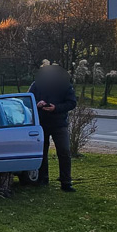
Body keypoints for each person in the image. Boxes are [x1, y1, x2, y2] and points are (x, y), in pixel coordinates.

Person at [28, 64, 77, 192]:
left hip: (59, 123)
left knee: (64, 152)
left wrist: (56, 108)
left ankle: (66, 181)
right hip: (41, 123)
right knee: (42, 152)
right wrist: (37, 104)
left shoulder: (65, 85)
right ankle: (43, 178)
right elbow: (28, 100)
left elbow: (72, 102)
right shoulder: (36, 84)